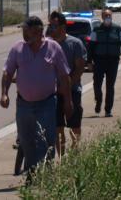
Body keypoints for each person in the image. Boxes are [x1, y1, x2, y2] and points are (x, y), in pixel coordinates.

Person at [0, 16, 71, 176]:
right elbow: (8, 72)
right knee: (26, 141)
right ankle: (32, 172)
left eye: (28, 31)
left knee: (45, 140)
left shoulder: (53, 48)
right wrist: (4, 94)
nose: (24, 35)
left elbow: (64, 76)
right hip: (24, 104)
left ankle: (43, 173)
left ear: (39, 32)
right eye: (23, 31)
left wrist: (68, 102)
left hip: (47, 103)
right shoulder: (18, 48)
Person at [46, 12, 87, 153]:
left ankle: (75, 153)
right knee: (58, 127)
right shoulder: (47, 45)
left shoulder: (75, 44)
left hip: (73, 90)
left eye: (54, 25)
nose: (51, 28)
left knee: (74, 125)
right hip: (54, 93)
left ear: (63, 27)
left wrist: (67, 86)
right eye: (50, 25)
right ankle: (62, 158)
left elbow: (80, 68)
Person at [88, 9, 121, 118]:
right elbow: (91, 47)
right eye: (105, 15)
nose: (107, 17)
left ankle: (108, 110)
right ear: (102, 17)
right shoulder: (96, 30)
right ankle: (98, 101)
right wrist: (89, 62)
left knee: (110, 86)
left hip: (113, 61)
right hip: (99, 61)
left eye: (109, 15)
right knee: (97, 84)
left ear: (112, 16)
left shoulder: (118, 29)